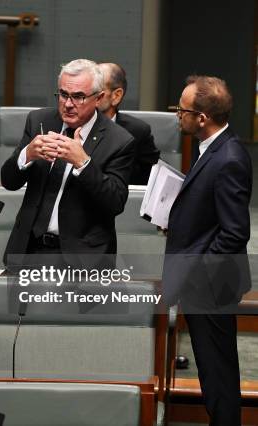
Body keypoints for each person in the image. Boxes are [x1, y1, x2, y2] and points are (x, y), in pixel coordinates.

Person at [163, 76, 252, 426]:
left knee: (218, 375)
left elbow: (234, 233)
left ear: (202, 118)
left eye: (182, 110)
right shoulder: (210, 148)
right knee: (212, 369)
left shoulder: (228, 158)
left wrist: (196, 275)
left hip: (212, 285)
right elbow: (210, 216)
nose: (177, 116)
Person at [1, 58, 135, 269]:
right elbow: (8, 181)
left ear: (99, 98)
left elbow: (115, 202)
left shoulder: (119, 140)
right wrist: (27, 154)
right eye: (63, 94)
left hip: (81, 260)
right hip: (28, 251)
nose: (68, 104)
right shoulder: (39, 121)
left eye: (79, 97)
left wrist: (83, 162)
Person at [97, 62, 160, 184]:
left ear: (116, 96)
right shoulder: (73, 125)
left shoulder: (138, 132)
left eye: (97, 89)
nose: (88, 94)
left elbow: (152, 178)